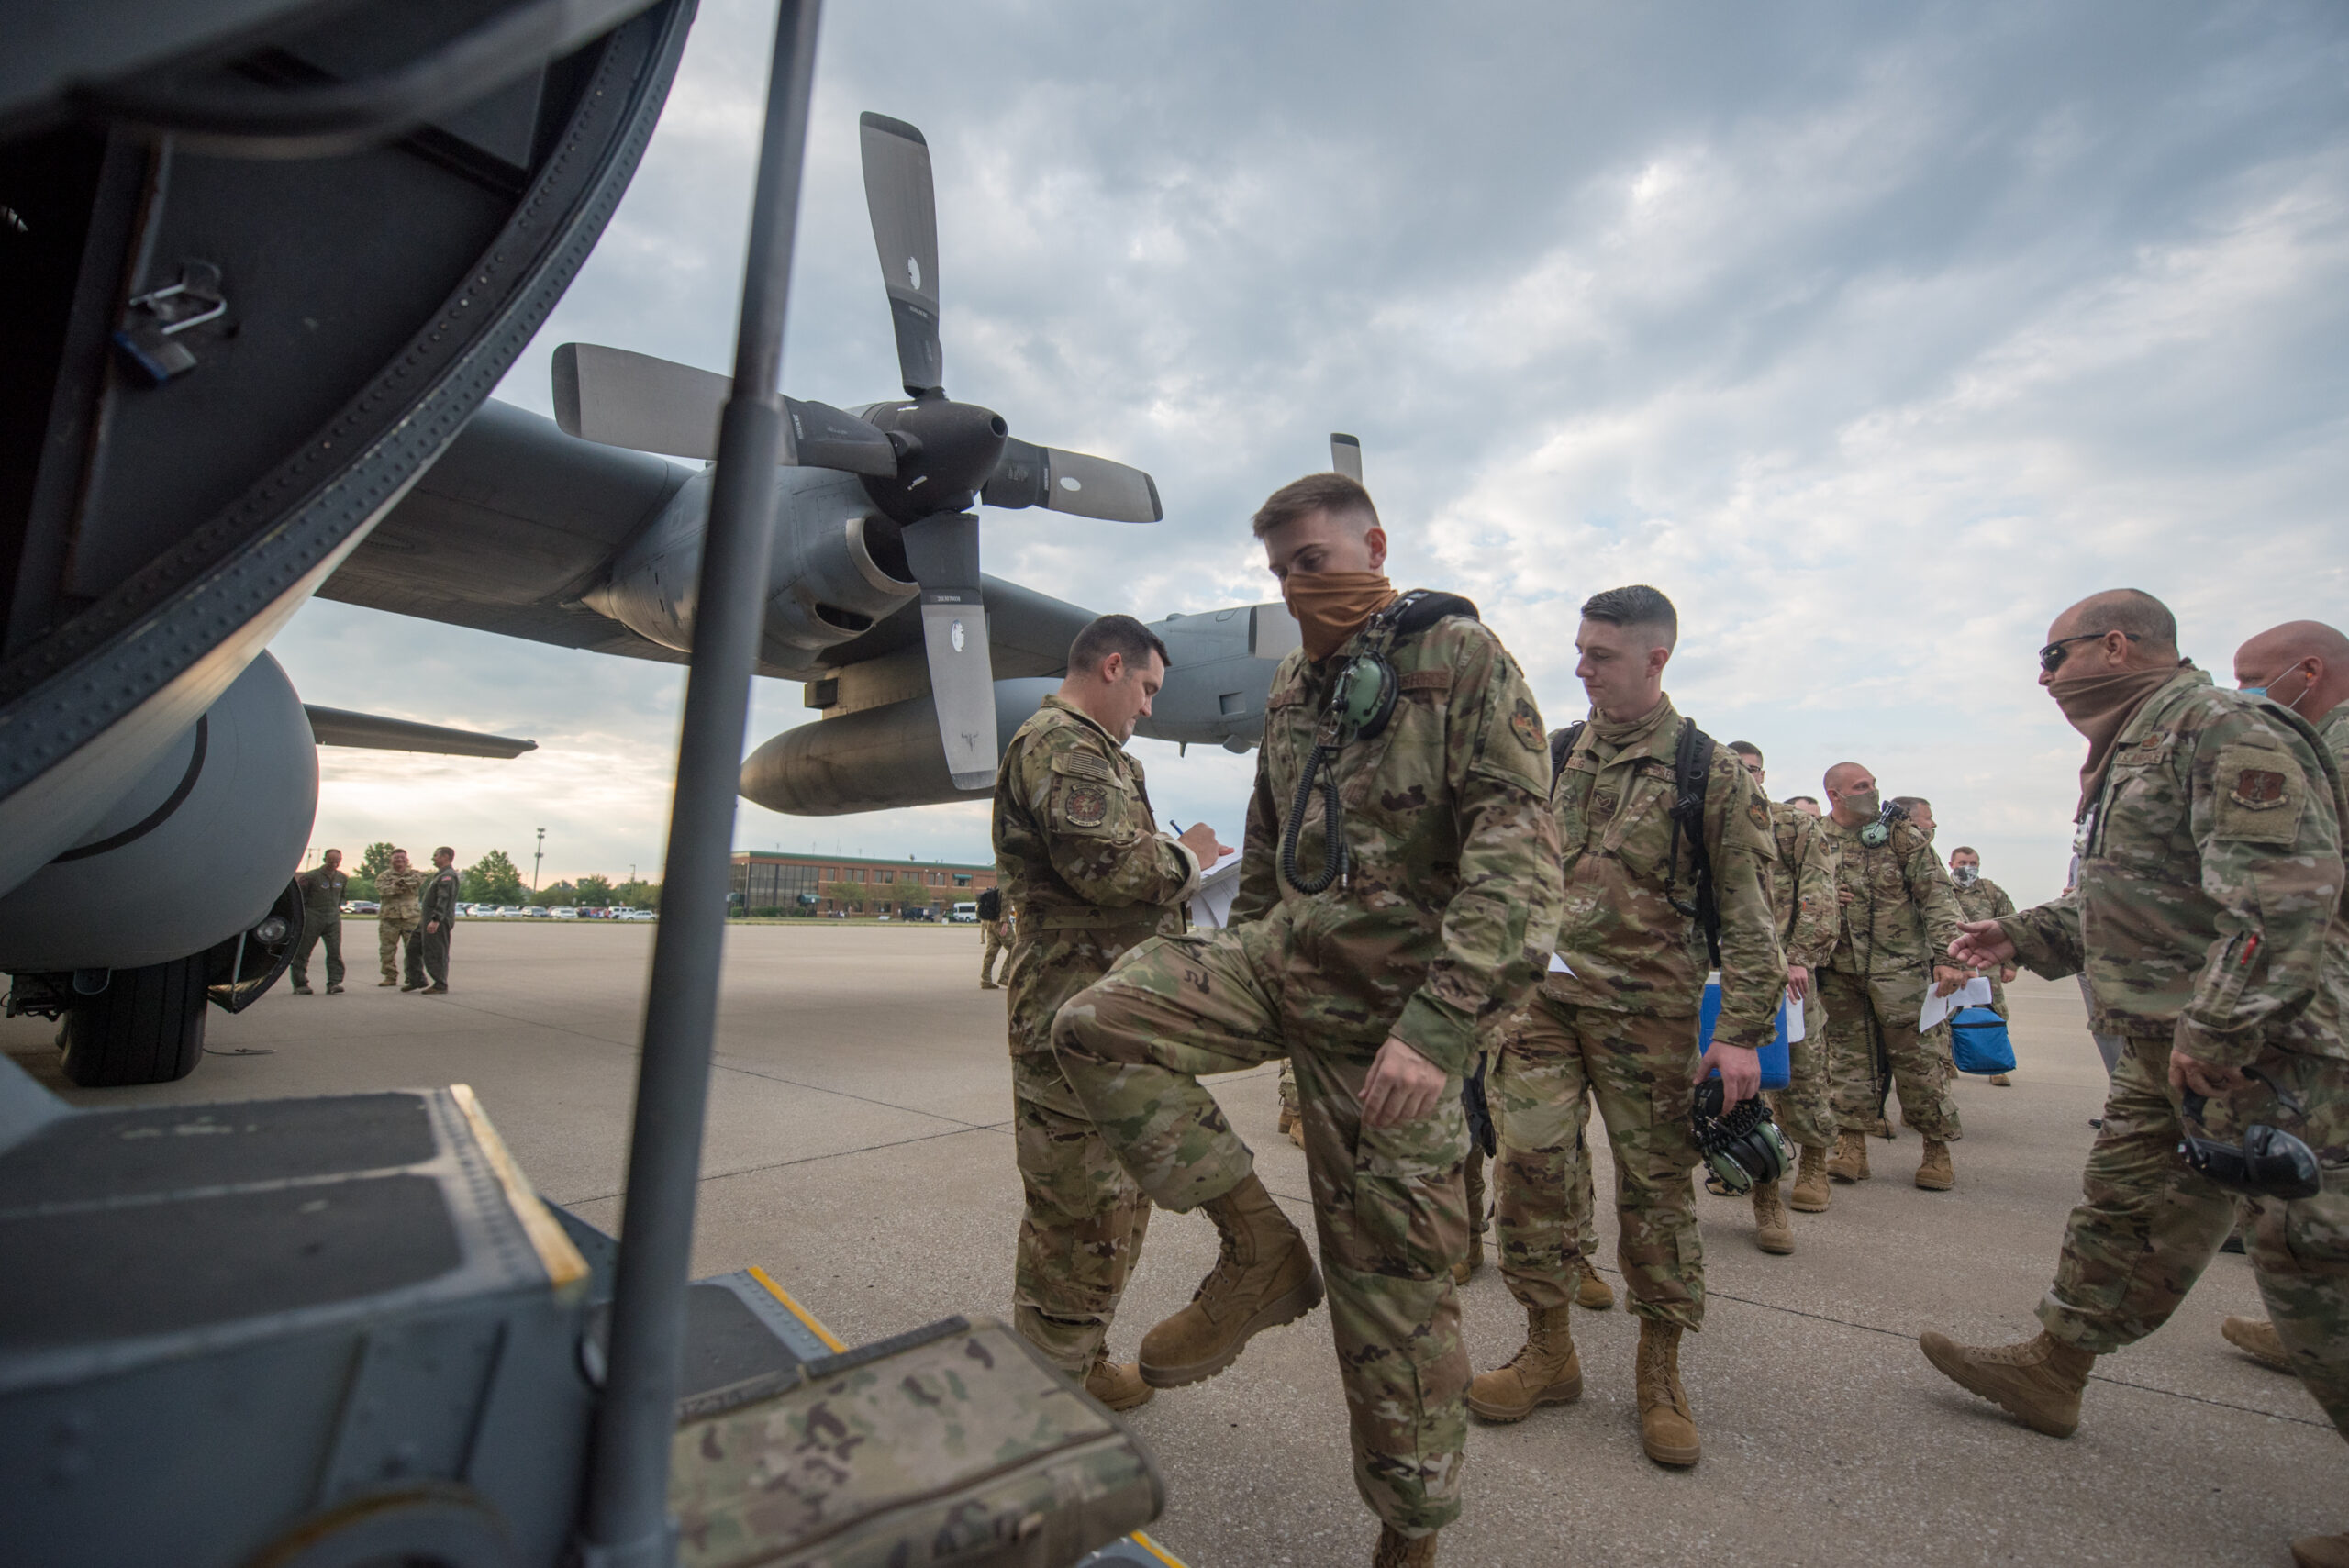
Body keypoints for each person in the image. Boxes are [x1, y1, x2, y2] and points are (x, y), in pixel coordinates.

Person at [1052, 471, 1560, 1567]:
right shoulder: (1294, 685)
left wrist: (1438, 1029)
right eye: (1279, 569)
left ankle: (1407, 1533)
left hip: (1396, 1022)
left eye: (1311, 562)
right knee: (1097, 1021)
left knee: (1393, 1313)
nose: (1293, 586)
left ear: (1372, 543)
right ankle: (1256, 1249)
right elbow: (1276, 844)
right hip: (1290, 967)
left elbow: (1517, 863)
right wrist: (1254, 955)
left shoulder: (1461, 659)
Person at [1920, 589, 2349, 1568]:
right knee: (2121, 1207)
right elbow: (2143, 893)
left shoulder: (2221, 725)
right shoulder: (2143, 745)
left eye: (2053, 652)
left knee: (2317, 1269)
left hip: (2260, 1053)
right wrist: (2021, 934)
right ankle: (2053, 1366)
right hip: (2173, 1047)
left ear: (2116, 645)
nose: (2044, 673)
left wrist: (2225, 1023)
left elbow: (2282, 893)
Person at [1474, 586, 1777, 1471]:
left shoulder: (1707, 769)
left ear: (1656, 660)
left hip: (1648, 1018)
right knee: (1527, 1165)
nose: (1581, 667)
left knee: (1653, 1192)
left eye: (1600, 654)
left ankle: (1660, 1368)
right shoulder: (1558, 755)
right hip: (1543, 1009)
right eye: (1579, 649)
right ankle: (1548, 1347)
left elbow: (1750, 913)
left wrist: (1744, 1030)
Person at [994, 614, 1223, 1412]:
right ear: (1114, 666)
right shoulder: (1063, 743)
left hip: (1110, 1020)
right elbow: (1109, 867)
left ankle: (1081, 1356)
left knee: (1116, 1204)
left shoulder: (1096, 750)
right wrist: (1191, 854)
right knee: (1076, 1213)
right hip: (1069, 1022)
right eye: (1149, 689)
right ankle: (1043, 1401)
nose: (1151, 708)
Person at [2221, 618, 2349, 1380]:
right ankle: (2310, 1327)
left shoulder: (2331, 753)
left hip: (2317, 1001)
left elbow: (2289, 892)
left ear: (2309, 669)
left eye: (2251, 679)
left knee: (2310, 1208)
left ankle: (2318, 1330)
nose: (2245, 697)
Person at [1815, 762, 1967, 1188]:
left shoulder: (1902, 837)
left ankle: (1936, 1148)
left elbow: (1937, 896)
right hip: (1840, 970)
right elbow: (1790, 893)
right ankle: (1851, 1145)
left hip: (1900, 971)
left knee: (1919, 1063)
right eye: (1861, 786)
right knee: (1847, 1062)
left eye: (1873, 784)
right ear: (1835, 795)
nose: (1873, 791)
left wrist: (1948, 956)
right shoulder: (1816, 840)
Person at [1726, 742, 1842, 1228]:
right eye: (1737, 771)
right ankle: (1764, 1193)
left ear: (1765, 774)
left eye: (1753, 770)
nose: (1747, 778)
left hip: (1787, 974)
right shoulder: (1710, 823)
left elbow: (1819, 892)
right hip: (1726, 976)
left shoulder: (1793, 825)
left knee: (1803, 1076)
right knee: (1737, 1089)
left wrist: (1799, 959)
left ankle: (1814, 1161)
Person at [1947, 845, 2019, 1084]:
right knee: (1944, 1014)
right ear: (1951, 865)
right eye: (1962, 863)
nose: (1968, 868)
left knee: (1994, 1013)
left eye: (1973, 863)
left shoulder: (1990, 890)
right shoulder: (1943, 890)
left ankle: (1995, 1065)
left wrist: (2010, 964)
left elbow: (2010, 924)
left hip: (1986, 965)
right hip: (1951, 962)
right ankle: (1946, 1061)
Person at [290, 849, 350, 995]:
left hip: (333, 918)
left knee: (334, 952)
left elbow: (342, 896)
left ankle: (334, 983)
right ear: (324, 859)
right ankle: (300, 983)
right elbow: (299, 898)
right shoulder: (311, 877)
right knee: (303, 951)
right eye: (331, 861)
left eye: (337, 861)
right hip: (313, 917)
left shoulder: (341, 878)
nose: (334, 864)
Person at [376, 850, 425, 988]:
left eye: (402, 858)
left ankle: (412, 976)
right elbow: (383, 891)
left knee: (413, 950)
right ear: (391, 860)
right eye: (396, 857)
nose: (399, 860)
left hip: (410, 918)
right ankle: (389, 976)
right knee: (387, 949)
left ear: (407, 859)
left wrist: (396, 885)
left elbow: (417, 881)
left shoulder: (415, 874)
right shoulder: (383, 876)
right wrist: (401, 886)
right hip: (389, 919)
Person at [415, 846, 460, 995]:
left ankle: (440, 984)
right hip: (427, 919)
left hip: (437, 921)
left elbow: (443, 899)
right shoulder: (439, 875)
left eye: (436, 855)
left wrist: (435, 920)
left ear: (445, 857)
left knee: (436, 951)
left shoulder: (448, 876)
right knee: (413, 947)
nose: (433, 858)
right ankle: (415, 979)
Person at [977, 885, 1008, 988]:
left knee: (991, 951)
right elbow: (1006, 904)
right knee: (1015, 948)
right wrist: (1005, 922)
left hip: (990, 921)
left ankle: (985, 979)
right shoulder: (1007, 888)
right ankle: (1005, 976)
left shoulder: (997, 887)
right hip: (1000, 922)